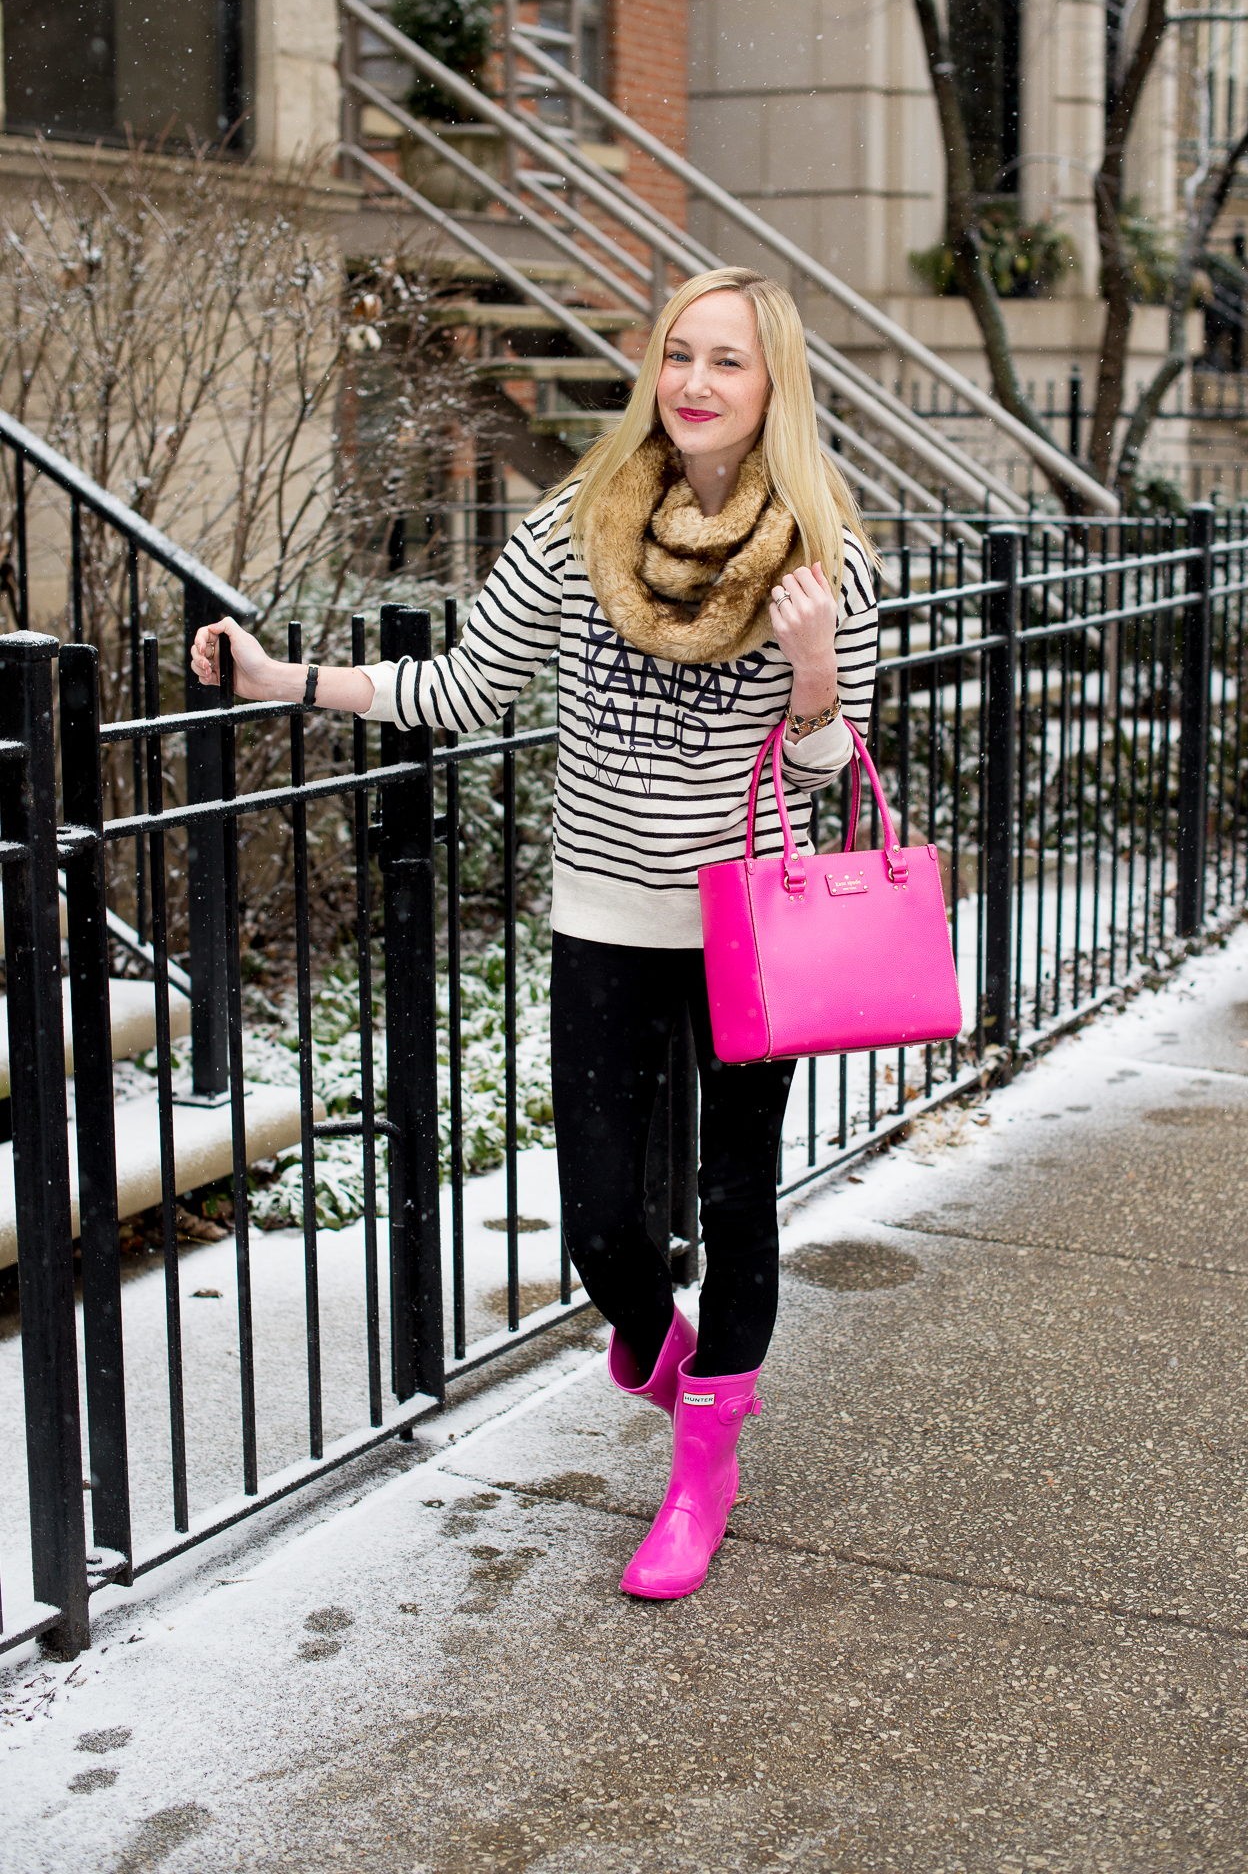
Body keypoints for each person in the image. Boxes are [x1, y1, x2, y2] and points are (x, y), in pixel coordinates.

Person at [191, 265, 880, 1601]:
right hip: (607, 919)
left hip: (747, 925)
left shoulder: (823, 556)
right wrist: (289, 678)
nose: (693, 383)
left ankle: (705, 1459)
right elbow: (458, 683)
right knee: (605, 1222)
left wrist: (813, 666)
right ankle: (660, 1350)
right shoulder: (583, 525)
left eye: (726, 361)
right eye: (679, 354)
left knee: (735, 1199)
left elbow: (824, 774)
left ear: (772, 384)